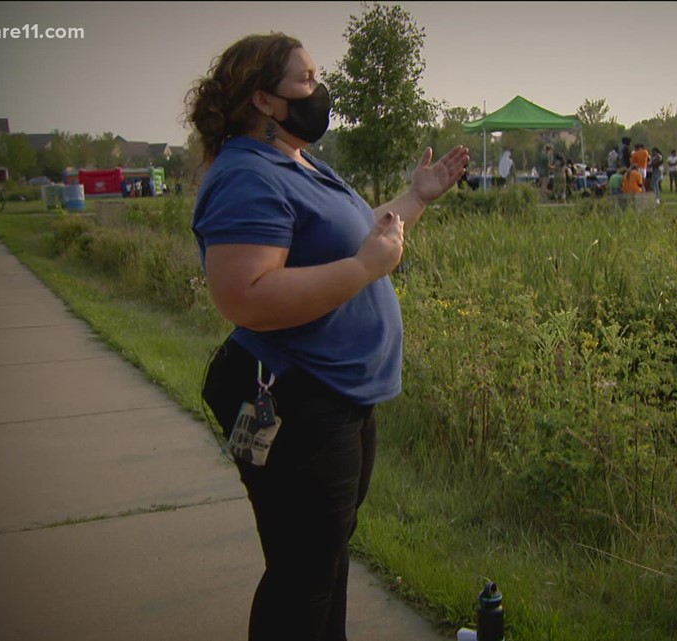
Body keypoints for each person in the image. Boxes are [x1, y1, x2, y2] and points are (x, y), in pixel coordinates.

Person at [187, 33, 468, 641]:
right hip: (295, 399)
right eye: (307, 80)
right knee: (303, 578)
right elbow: (246, 297)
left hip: (334, 399)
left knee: (323, 561)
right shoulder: (247, 176)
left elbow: (354, 236)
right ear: (263, 98)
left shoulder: (294, 159)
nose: (321, 91)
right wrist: (367, 269)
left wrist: (414, 198)